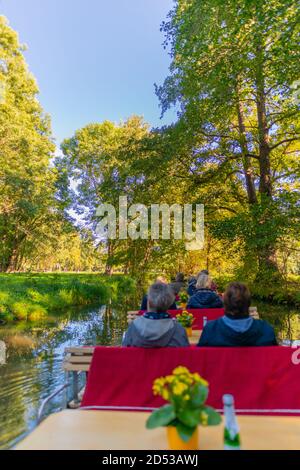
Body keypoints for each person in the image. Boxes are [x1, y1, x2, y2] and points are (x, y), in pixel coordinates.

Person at [198, 282, 277, 347]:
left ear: (225, 303)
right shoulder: (266, 330)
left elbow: (199, 360)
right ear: (249, 303)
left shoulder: (211, 330)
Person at [123, 282, 189, 348]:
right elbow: (186, 355)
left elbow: (125, 353)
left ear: (148, 302)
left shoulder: (133, 328)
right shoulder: (179, 330)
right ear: (169, 304)